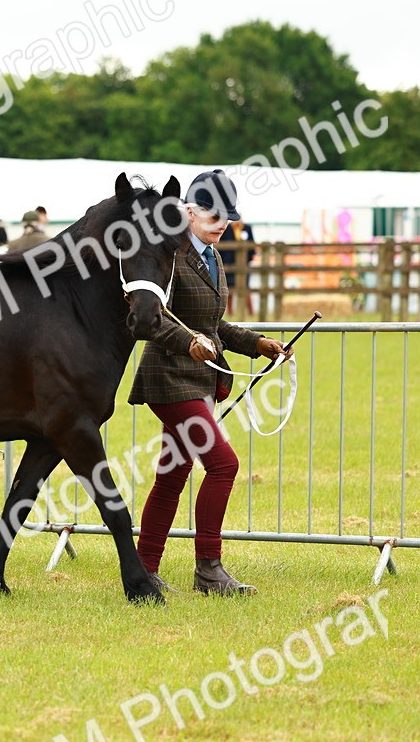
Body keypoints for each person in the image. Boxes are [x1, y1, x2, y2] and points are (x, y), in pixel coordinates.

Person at [128, 170, 291, 596]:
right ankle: (208, 569)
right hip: (168, 379)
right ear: (189, 211)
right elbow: (152, 319)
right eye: (214, 215)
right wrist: (188, 343)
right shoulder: (169, 254)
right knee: (223, 464)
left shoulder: (214, 256)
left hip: (197, 379)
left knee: (173, 472)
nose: (223, 224)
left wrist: (258, 344)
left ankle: (145, 568)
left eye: (229, 217)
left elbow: (213, 324)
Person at [218, 220, 255, 315]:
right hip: (229, 264)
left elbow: (252, 246)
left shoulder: (247, 228)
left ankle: (251, 313)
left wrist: (248, 260)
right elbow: (221, 245)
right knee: (229, 289)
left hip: (244, 264)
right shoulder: (227, 228)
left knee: (246, 289)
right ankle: (230, 312)